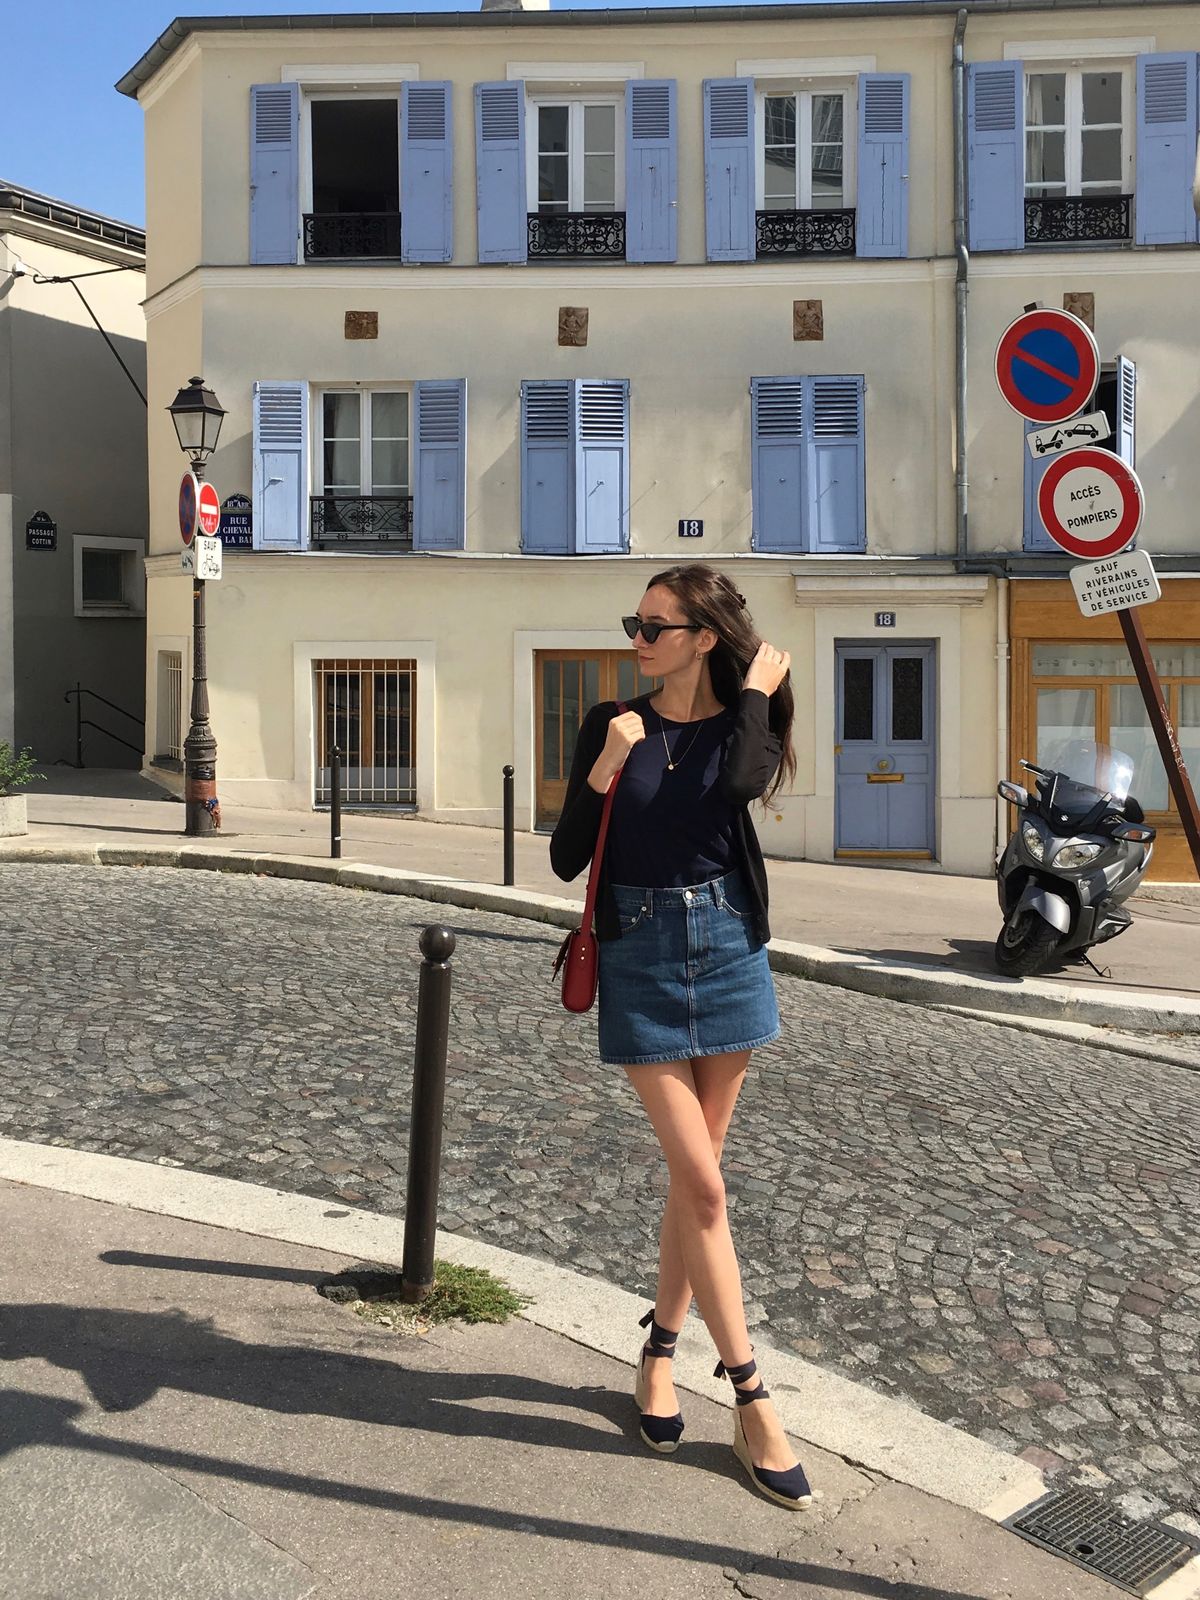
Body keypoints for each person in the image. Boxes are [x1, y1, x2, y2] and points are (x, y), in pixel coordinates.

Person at [549, 562, 811, 1511]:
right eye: (635, 624)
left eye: (656, 627)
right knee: (702, 1183)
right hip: (643, 954)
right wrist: (604, 767)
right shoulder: (612, 722)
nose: (638, 640)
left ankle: (659, 1353)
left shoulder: (749, 720)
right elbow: (567, 854)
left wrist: (751, 694)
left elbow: (741, 783)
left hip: (728, 945)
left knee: (694, 1182)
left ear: (704, 637)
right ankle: (752, 1396)